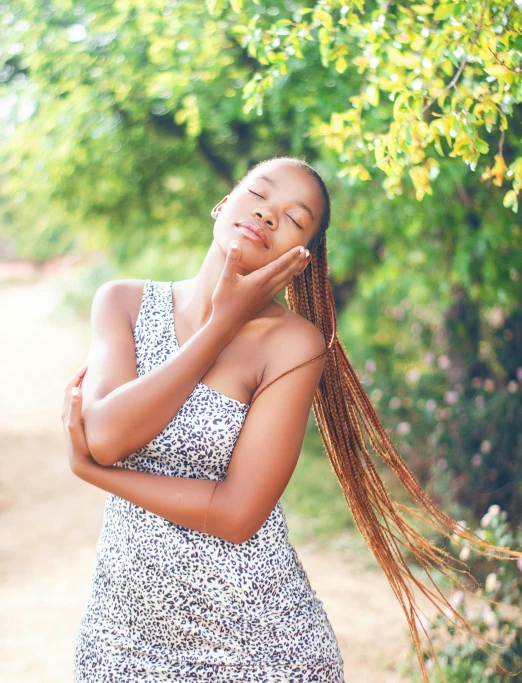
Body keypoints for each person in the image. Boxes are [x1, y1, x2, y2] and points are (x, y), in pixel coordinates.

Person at [62, 156, 521, 683]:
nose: (268, 216)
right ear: (223, 205)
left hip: (256, 647)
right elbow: (106, 435)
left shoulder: (293, 345)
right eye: (258, 194)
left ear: (300, 257)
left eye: (295, 219)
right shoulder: (122, 301)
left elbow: (238, 515)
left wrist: (97, 475)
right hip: (120, 640)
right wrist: (220, 322)